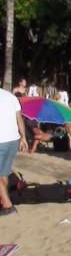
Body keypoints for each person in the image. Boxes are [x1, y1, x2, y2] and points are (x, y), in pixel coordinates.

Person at [0, 88, 29, 216]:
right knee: (3, 174)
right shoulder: (10, 96)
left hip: (1, 139)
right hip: (13, 139)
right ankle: (3, 201)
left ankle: (8, 205)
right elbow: (19, 118)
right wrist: (23, 138)